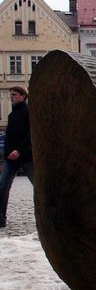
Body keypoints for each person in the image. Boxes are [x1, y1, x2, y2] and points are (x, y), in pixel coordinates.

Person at [0, 86, 34, 228]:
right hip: (10, 158)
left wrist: (19, 151)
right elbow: (10, 137)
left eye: (14, 95)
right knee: (2, 186)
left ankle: (50, 217)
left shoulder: (28, 112)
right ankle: (1, 218)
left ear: (23, 96)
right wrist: (7, 153)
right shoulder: (11, 115)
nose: (11, 97)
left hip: (25, 156)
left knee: (39, 186)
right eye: (10, 95)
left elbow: (31, 135)